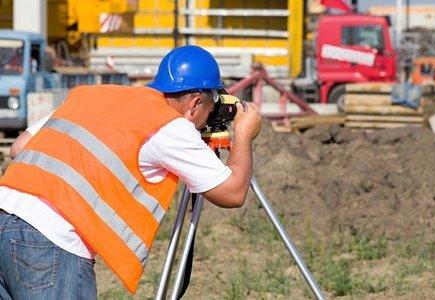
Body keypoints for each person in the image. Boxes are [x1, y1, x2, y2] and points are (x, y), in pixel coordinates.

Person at [0, 45, 262, 298]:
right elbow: (233, 193)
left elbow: (20, 146)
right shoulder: (170, 125)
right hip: (49, 241)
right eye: (211, 104)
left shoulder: (95, 94)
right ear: (195, 104)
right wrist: (243, 134)